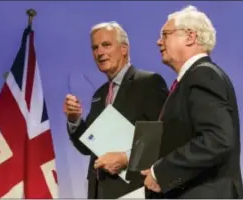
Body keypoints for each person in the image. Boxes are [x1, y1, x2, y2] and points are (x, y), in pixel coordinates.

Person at [140, 5, 243, 199]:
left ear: (190, 37)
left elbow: (217, 139)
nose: (158, 42)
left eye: (165, 34)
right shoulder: (193, 78)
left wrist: (160, 172)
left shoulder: (203, 74)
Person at [63, 21, 169, 199]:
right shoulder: (100, 94)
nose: (100, 52)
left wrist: (125, 158)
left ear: (124, 49)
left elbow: (162, 137)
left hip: (136, 190)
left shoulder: (148, 82)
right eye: (95, 47)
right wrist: (74, 120)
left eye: (106, 45)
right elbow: (87, 147)